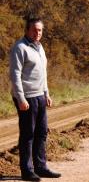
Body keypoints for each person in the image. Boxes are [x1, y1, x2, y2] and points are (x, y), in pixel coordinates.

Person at [9, 18, 61, 181]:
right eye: (34, 30)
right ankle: (27, 170)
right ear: (27, 30)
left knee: (41, 132)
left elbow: (43, 74)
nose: (37, 33)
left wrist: (46, 93)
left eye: (40, 30)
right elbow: (15, 75)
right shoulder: (20, 47)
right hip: (27, 98)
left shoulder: (40, 48)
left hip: (39, 96)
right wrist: (21, 98)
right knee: (28, 134)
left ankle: (41, 167)